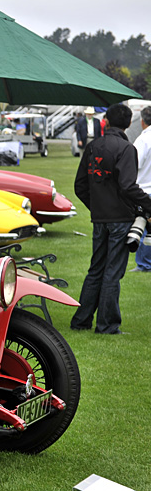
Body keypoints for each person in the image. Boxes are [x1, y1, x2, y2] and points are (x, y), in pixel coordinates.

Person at [70, 103, 151, 335]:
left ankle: (81, 320)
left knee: (96, 269)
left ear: (105, 121)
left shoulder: (94, 146)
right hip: (120, 218)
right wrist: (147, 205)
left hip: (100, 218)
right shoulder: (126, 148)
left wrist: (96, 206)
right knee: (113, 272)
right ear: (128, 123)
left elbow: (80, 186)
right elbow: (127, 186)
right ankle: (107, 325)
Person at [131, 106, 151, 271]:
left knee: (143, 228)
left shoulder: (143, 139)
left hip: (144, 188)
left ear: (142, 121)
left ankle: (144, 264)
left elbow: (134, 163)